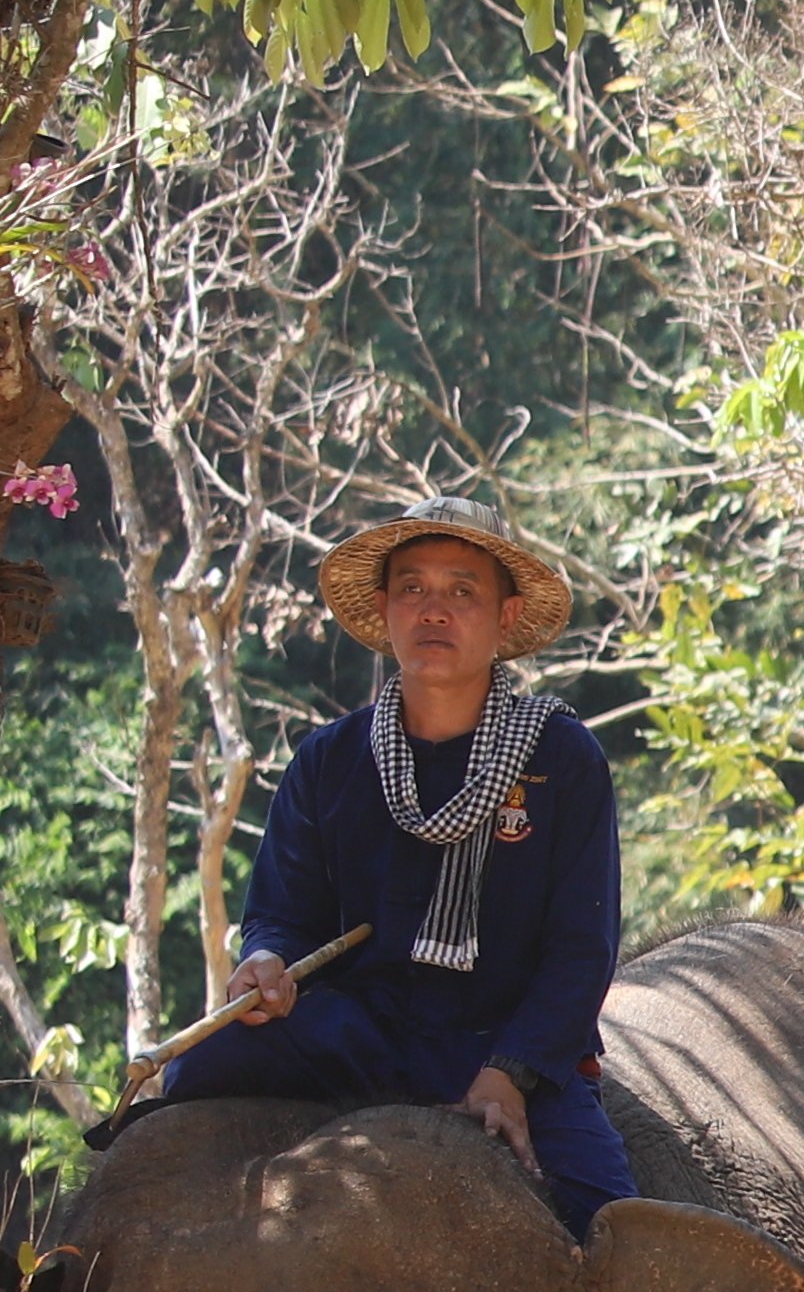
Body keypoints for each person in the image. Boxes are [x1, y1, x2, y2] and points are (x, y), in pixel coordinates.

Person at [165, 496, 635, 1231]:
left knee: (608, 1221)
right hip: (362, 1034)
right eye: (413, 589)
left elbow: (583, 948)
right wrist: (265, 961)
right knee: (191, 1072)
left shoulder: (563, 760)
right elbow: (283, 914)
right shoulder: (330, 759)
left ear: (506, 618)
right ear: (384, 610)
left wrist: (509, 1074)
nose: (433, 610)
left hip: (503, 1041)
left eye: (462, 590)